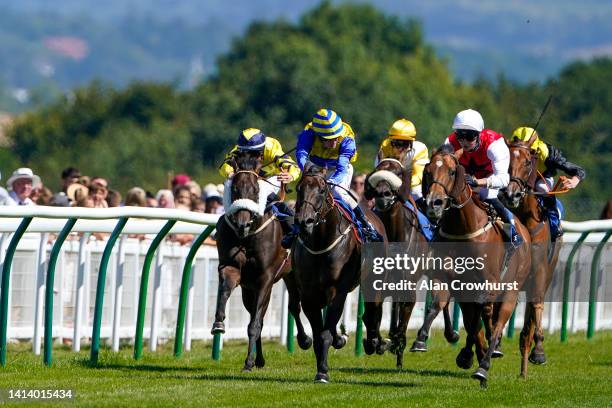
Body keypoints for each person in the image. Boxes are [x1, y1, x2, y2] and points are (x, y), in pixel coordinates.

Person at [289, 108, 382, 247]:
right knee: (307, 189)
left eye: (336, 137)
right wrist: (308, 170)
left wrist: (331, 182)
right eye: (329, 139)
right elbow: (301, 154)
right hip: (315, 166)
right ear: (318, 136)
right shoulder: (309, 133)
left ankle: (365, 224)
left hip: (338, 168)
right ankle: (296, 227)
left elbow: (342, 167)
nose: (334, 142)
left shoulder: (347, 139)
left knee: (339, 193)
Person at [444, 109, 523, 247]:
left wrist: (478, 182)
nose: (463, 142)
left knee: (487, 195)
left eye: (469, 136)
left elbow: (504, 179)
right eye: (459, 136)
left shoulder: (494, 145)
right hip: (464, 180)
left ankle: (512, 230)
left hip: (489, 178)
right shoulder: (450, 142)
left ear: (479, 134)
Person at [219, 128, 300, 244]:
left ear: (261, 149)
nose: (249, 157)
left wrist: (290, 175)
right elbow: (224, 165)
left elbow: (292, 165)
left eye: (254, 154)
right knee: (229, 183)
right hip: (247, 179)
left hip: (271, 178)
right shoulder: (238, 150)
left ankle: (290, 223)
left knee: (262, 186)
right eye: (246, 154)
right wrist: (229, 173)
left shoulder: (271, 147)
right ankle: (224, 224)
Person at [510, 126, 586, 238]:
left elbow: (579, 171)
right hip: (516, 177)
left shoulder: (549, 154)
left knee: (543, 188)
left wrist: (575, 180)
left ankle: (554, 222)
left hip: (541, 177)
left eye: (530, 153)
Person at [376, 118, 429, 202]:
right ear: (391, 141)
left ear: (412, 143)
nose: (400, 148)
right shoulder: (385, 147)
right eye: (396, 143)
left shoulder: (420, 149)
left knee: (417, 193)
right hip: (387, 185)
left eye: (405, 143)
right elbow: (378, 173)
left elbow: (419, 176)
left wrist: (397, 183)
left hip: (411, 186)